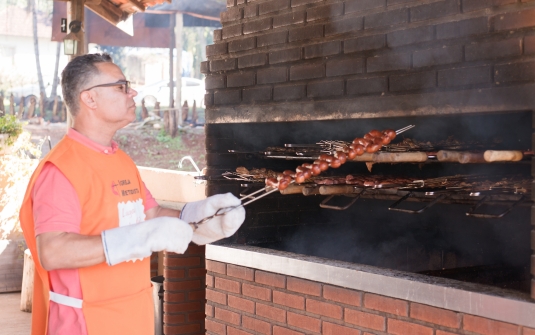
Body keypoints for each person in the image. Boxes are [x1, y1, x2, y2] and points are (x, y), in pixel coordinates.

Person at [19, 53, 246, 335]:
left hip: (133, 315)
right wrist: (139, 238)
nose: (133, 92)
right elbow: (53, 251)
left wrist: (198, 219)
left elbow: (150, 214)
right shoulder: (61, 169)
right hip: (85, 321)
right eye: (121, 86)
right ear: (89, 99)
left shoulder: (120, 159)